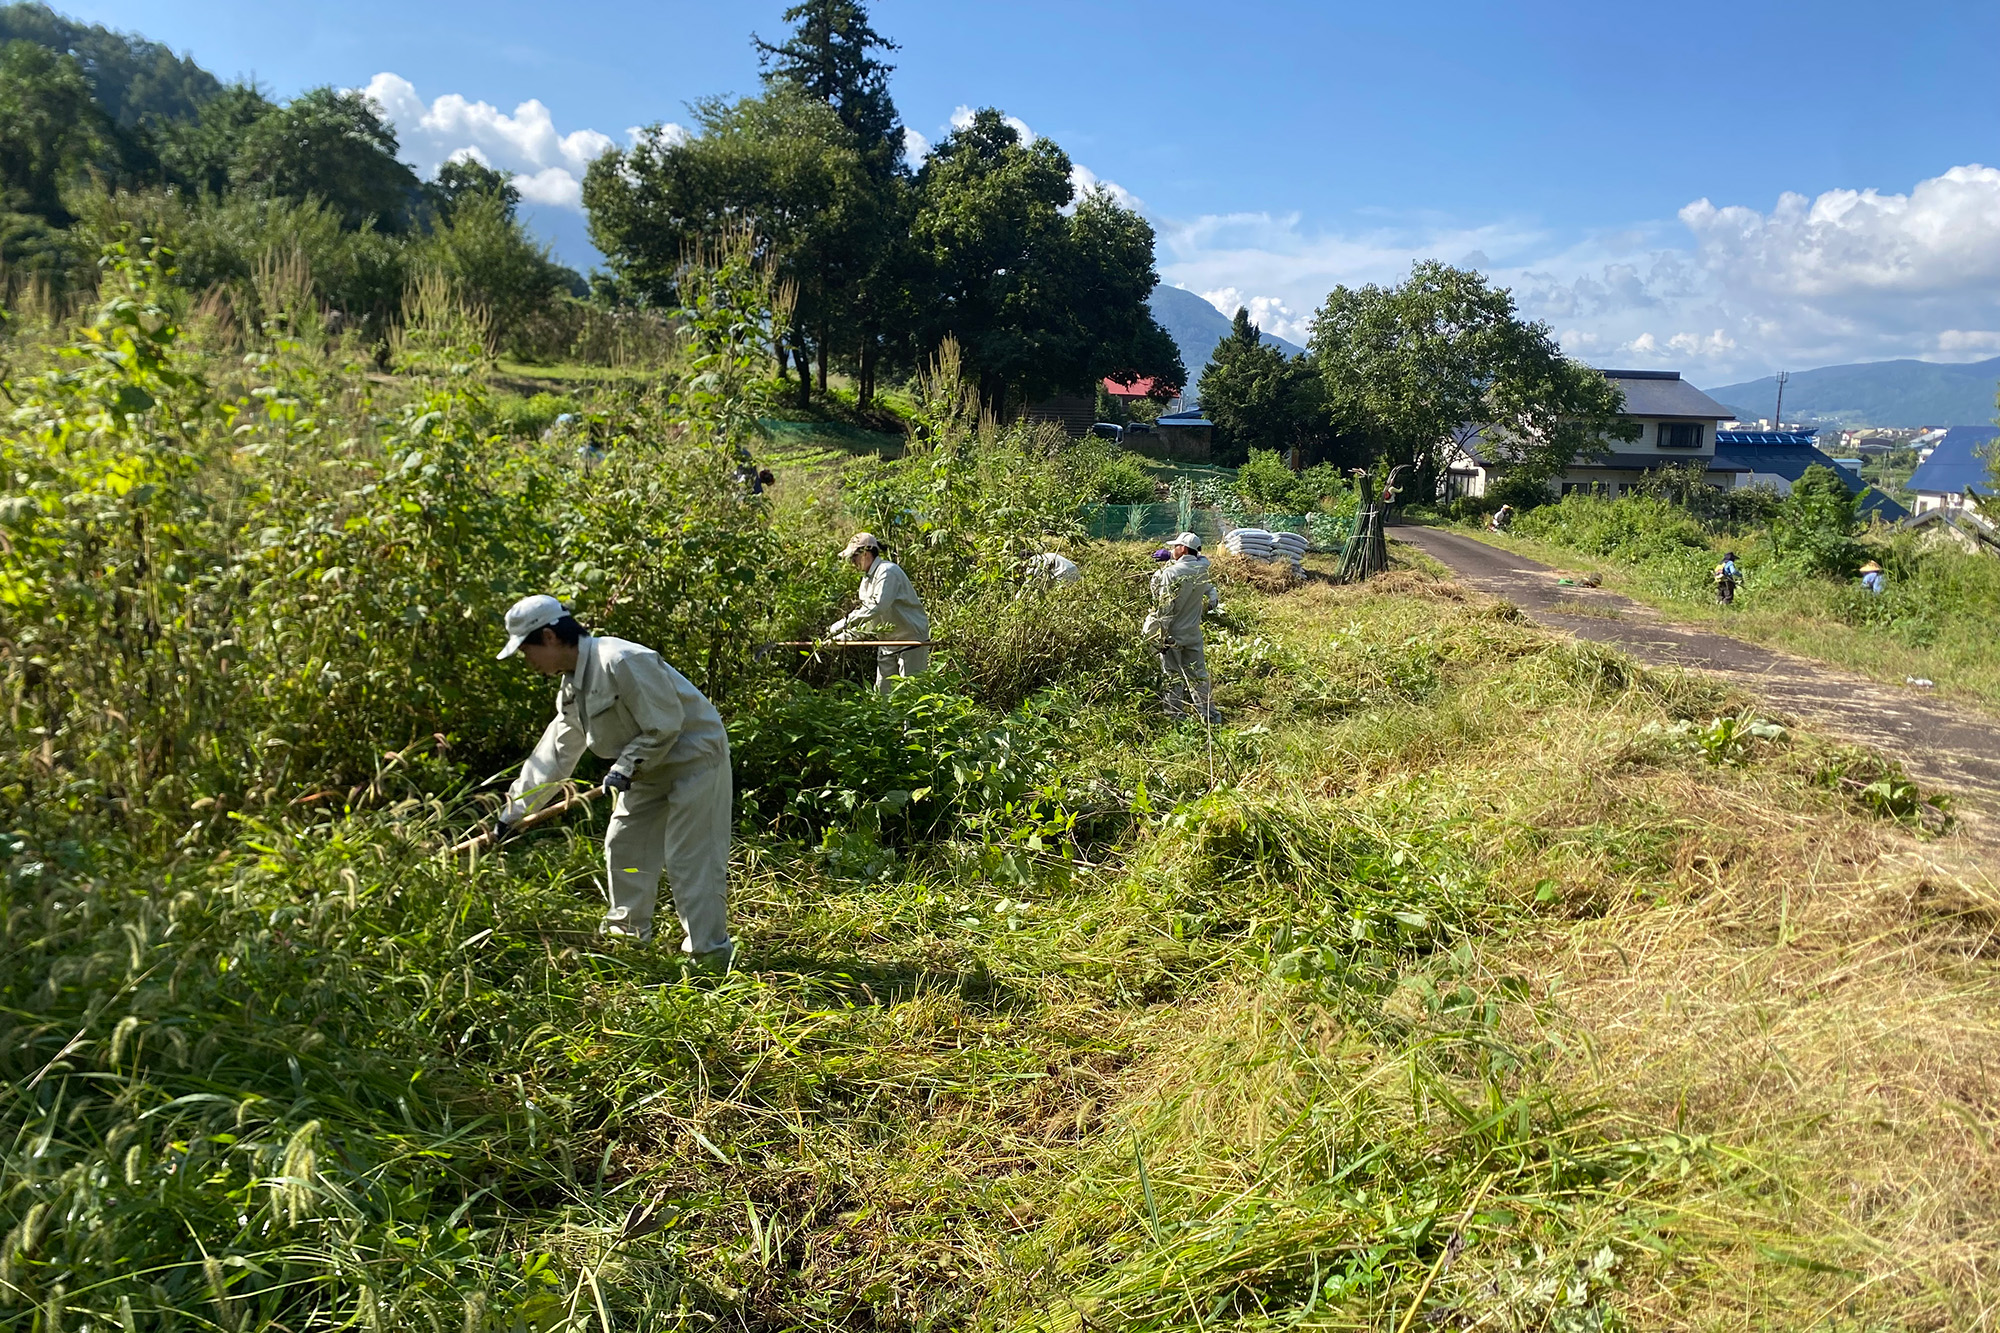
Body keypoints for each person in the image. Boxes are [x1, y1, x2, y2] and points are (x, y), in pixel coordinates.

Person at [492, 595, 734, 964]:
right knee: (625, 848)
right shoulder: (573, 686)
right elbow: (554, 754)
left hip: (693, 762)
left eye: (528, 651)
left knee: (690, 859)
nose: (529, 662)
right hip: (645, 771)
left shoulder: (621, 660)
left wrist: (623, 767)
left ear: (550, 637)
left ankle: (709, 956)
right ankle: (628, 942)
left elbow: (666, 724)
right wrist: (511, 814)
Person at [829, 532, 931, 694]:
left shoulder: (887, 571)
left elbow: (878, 606)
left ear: (865, 554)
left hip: (910, 642)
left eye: (853, 557)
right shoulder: (866, 581)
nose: (852, 562)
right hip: (888, 644)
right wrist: (841, 639)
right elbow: (870, 621)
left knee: (911, 695)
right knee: (883, 696)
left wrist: (843, 623)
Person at [1144, 532, 1220, 722]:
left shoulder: (1172, 573)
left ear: (1183, 549)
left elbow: (1166, 608)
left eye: (1175, 547)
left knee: (1172, 675)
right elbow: (1201, 559)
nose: (1171, 550)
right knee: (1198, 676)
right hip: (1193, 633)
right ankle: (1210, 716)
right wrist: (1172, 557)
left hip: (1173, 635)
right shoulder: (1202, 569)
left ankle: (1175, 716)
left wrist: (1159, 636)